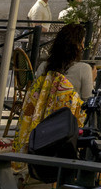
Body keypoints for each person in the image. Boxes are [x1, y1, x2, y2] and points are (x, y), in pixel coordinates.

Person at [11, 22, 87, 153]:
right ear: (78, 46)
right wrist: (92, 78)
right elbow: (86, 100)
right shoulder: (84, 69)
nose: (83, 47)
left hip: (42, 125)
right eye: (83, 43)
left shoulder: (43, 67)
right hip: (70, 126)